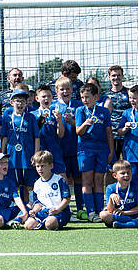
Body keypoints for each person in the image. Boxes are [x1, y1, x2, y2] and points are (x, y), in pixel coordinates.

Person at [74, 83, 113, 223]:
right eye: (82, 97)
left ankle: (99, 211)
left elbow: (109, 132)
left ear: (96, 97)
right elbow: (78, 132)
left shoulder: (104, 111)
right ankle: (90, 212)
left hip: (101, 149)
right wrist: (85, 124)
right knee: (87, 180)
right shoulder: (80, 111)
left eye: (87, 97)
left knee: (99, 181)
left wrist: (111, 150)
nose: (85, 100)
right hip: (85, 150)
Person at [51, 77, 83, 218]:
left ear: (72, 90)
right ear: (56, 91)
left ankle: (81, 208)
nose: (65, 92)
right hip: (59, 149)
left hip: (76, 148)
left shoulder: (78, 105)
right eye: (62, 89)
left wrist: (73, 121)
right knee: (63, 180)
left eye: (68, 89)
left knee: (78, 178)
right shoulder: (52, 106)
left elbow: (82, 127)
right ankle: (65, 209)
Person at [2, 88, 40, 200]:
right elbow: (4, 137)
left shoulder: (31, 117)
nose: (20, 104)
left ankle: (31, 204)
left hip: (27, 156)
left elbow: (36, 137)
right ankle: (13, 205)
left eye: (23, 101)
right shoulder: (7, 118)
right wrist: (3, 154)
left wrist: (36, 154)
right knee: (13, 184)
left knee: (29, 185)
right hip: (12, 157)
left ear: (26, 103)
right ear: (11, 102)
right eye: (17, 101)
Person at [20, 150, 71, 230]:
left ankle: (46, 223)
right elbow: (38, 203)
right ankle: (43, 223)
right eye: (37, 166)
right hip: (45, 212)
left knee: (50, 223)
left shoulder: (59, 180)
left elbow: (66, 199)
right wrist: (34, 211)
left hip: (60, 211)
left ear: (51, 165)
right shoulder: (37, 184)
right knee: (28, 225)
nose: (40, 169)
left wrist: (57, 210)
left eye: (43, 166)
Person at [33, 84, 65, 176]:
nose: (46, 99)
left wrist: (59, 120)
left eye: (49, 96)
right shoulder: (33, 115)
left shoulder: (56, 114)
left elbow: (60, 134)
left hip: (55, 152)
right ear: (37, 98)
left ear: (52, 98)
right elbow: (32, 134)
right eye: (43, 97)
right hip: (40, 152)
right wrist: (41, 120)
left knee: (62, 177)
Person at [102, 65, 130, 168]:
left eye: (118, 75)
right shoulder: (105, 96)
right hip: (111, 136)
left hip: (127, 134)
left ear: (122, 76)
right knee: (112, 166)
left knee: (128, 165)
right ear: (109, 77)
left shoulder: (129, 93)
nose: (116, 78)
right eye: (113, 75)